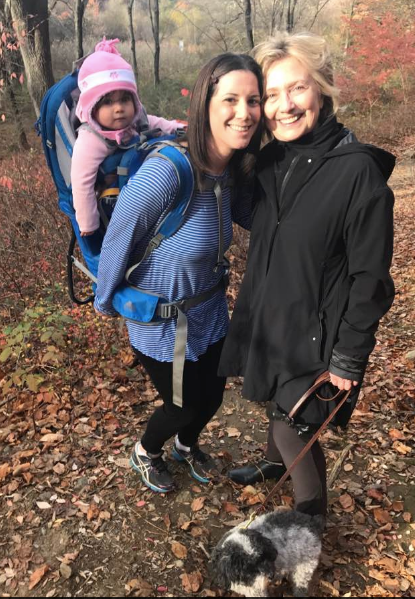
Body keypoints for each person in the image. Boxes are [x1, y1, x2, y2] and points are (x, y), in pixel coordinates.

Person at [220, 31, 396, 518]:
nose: (283, 106)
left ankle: (309, 524)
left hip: (318, 336)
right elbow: (260, 216)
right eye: (271, 95)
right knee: (275, 408)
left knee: (292, 424)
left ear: (323, 88)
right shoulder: (274, 159)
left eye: (297, 89)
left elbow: (371, 279)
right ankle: (274, 466)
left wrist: (348, 358)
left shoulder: (357, 174)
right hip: (274, 316)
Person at [94, 53, 263, 493]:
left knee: (213, 395)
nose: (243, 113)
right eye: (231, 99)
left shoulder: (231, 171)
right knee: (181, 404)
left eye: (254, 100)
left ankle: (186, 448)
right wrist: (105, 298)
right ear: (206, 103)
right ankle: (145, 451)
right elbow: (119, 235)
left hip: (208, 311)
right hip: (163, 322)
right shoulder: (170, 170)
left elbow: (258, 217)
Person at [72, 38, 183, 237]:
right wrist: (89, 223)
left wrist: (180, 129)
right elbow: (81, 182)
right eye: (107, 102)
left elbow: (160, 124)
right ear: (93, 107)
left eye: (125, 99)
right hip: (112, 210)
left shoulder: (137, 120)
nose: (119, 108)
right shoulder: (90, 140)